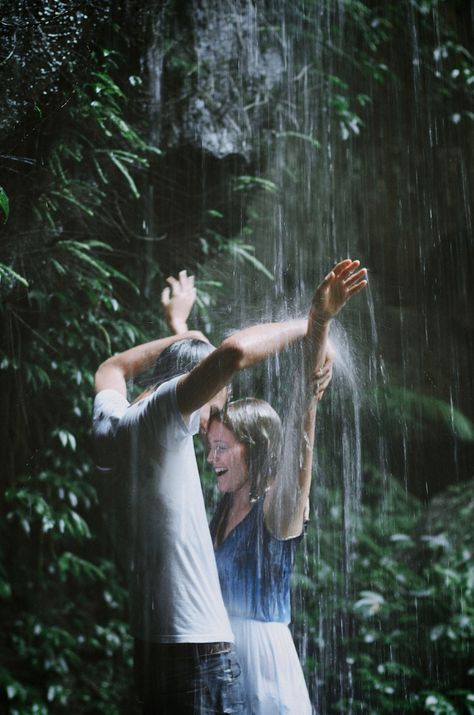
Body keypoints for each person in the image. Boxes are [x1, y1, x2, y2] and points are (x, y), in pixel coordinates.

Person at [92, 270, 329, 714]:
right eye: (214, 407)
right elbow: (232, 354)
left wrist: (184, 330)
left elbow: (111, 369)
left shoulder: (112, 420)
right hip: (199, 654)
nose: (207, 433)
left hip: (151, 644)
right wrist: (311, 323)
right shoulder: (166, 418)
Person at [205, 259, 367, 713]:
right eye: (211, 448)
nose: (211, 457)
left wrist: (317, 328)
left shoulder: (277, 512)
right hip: (213, 667)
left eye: (222, 448)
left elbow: (299, 440)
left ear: (253, 449)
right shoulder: (219, 510)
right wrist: (180, 327)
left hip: (262, 671)